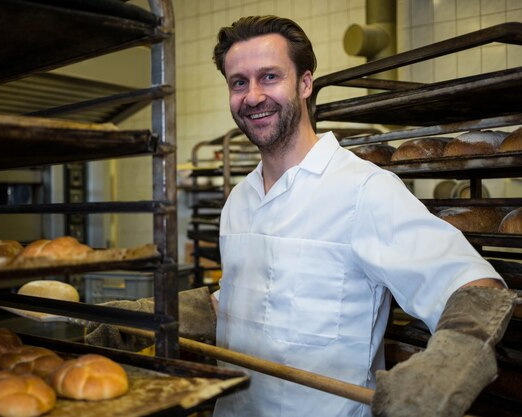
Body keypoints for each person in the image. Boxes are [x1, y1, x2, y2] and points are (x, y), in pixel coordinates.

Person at [86, 15, 518, 417]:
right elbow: (242, 299)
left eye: (269, 77)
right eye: (239, 82)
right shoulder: (240, 198)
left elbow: (476, 289)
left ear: (305, 83)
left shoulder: (362, 190)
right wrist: (146, 317)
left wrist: (438, 377)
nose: (252, 96)